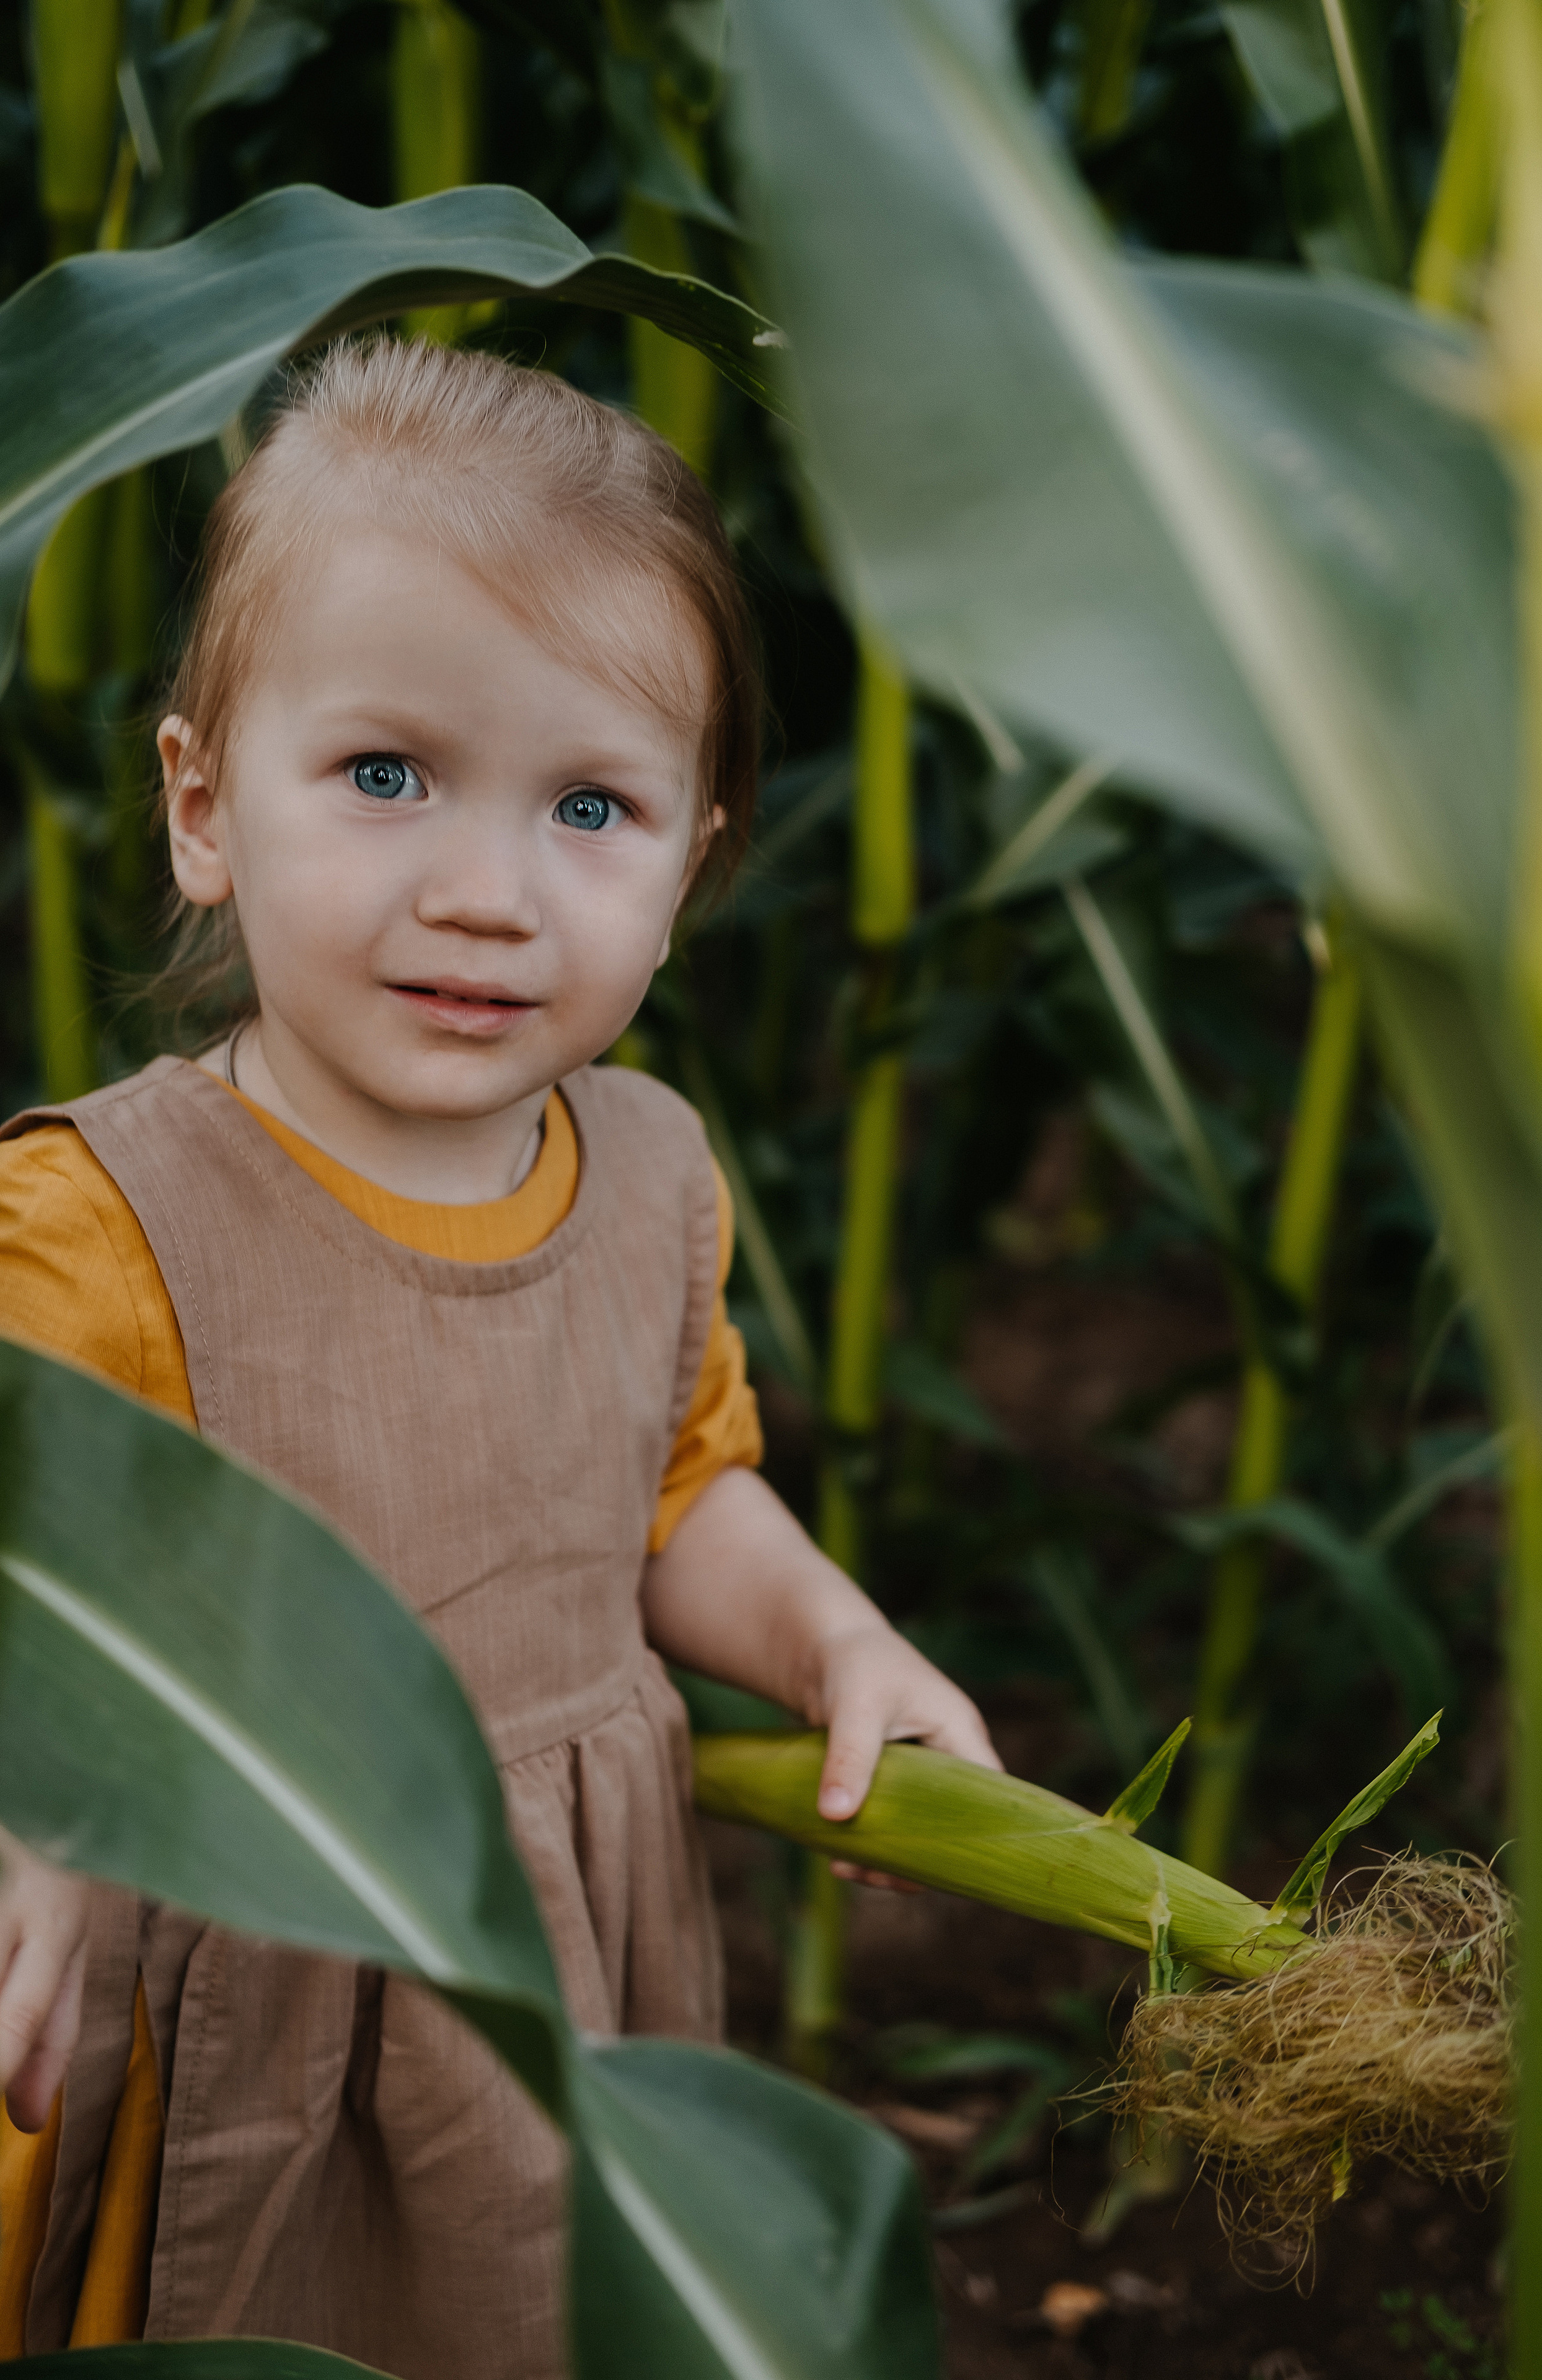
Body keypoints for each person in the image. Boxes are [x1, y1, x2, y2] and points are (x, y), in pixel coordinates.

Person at [0, 340, 998, 2374]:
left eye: (593, 807)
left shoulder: (650, 1178)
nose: (486, 891)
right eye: (386, 774)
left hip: (556, 1994)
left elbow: (671, 1491)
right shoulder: (100, 1233)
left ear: (695, 863)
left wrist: (829, 1643)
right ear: (202, 807)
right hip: (234, 2016)